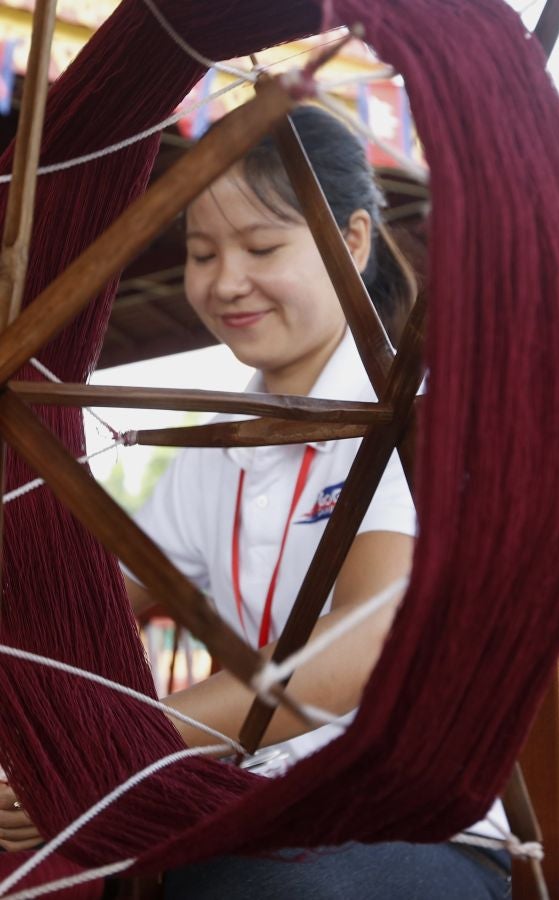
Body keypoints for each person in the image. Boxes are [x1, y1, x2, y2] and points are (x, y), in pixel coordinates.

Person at [0, 105, 511, 898]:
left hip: (409, 826)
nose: (225, 281)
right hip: (255, 809)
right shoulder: (219, 447)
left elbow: (368, 645)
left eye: (262, 247)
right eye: (202, 253)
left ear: (352, 241)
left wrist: (122, 754)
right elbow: (73, 606)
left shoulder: (422, 417)